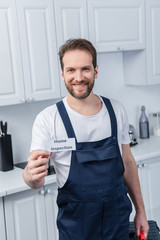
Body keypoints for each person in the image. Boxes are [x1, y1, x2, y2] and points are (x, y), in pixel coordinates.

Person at [23, 38, 149, 240]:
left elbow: (128, 163)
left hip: (117, 223)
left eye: (85, 69)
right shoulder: (48, 119)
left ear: (95, 71)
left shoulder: (116, 110)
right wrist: (32, 176)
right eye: (71, 70)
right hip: (76, 228)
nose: (79, 77)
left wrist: (141, 212)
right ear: (62, 74)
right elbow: (34, 180)